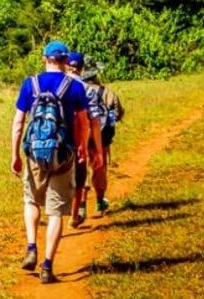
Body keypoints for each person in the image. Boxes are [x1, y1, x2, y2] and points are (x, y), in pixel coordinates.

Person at [11, 41, 97, 284]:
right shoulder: (75, 86)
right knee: (57, 211)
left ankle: (31, 247)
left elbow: (18, 123)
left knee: (30, 200)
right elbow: (83, 122)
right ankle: (47, 265)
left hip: (35, 154)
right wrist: (82, 147)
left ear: (44, 58)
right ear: (65, 60)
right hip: (63, 153)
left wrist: (15, 154)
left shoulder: (30, 84)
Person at [70, 55, 125, 216]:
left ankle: (81, 205)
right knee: (99, 167)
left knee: (82, 167)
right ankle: (100, 202)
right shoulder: (107, 93)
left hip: (81, 136)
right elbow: (118, 113)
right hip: (101, 137)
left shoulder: (75, 89)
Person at [65, 52, 105, 228]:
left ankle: (56, 217)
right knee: (78, 180)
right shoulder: (87, 89)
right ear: (82, 69)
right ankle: (73, 216)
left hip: (58, 139)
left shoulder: (55, 84)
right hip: (80, 140)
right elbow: (94, 123)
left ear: (66, 66)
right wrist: (98, 150)